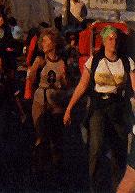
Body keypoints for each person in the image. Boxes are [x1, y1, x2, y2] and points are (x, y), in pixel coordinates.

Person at [64, 26, 135, 192]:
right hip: (98, 107)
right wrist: (69, 108)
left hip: (118, 107)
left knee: (119, 150)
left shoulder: (127, 61)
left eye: (116, 38)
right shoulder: (94, 60)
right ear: (103, 41)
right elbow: (82, 85)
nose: (114, 41)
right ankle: (94, 187)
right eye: (109, 38)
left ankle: (118, 186)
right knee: (95, 147)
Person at [29, 28, 68, 166]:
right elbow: (31, 81)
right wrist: (33, 70)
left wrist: (64, 76)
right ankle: (38, 164)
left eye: (46, 41)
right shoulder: (39, 60)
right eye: (42, 41)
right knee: (41, 134)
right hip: (40, 101)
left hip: (56, 103)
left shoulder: (63, 62)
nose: (43, 44)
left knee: (56, 136)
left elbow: (66, 85)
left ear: (54, 43)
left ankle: (56, 166)